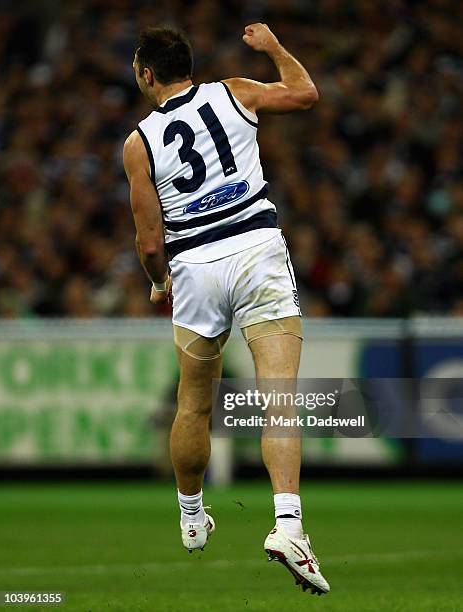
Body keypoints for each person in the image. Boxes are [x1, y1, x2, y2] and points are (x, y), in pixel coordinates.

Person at [123, 23, 330, 595]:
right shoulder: (233, 90)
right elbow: (306, 92)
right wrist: (273, 48)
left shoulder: (138, 142)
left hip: (194, 268)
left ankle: (192, 516)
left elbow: (147, 241)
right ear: (188, 64)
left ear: (146, 74)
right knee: (279, 396)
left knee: (192, 404)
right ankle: (288, 525)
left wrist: (159, 281)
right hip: (256, 248)